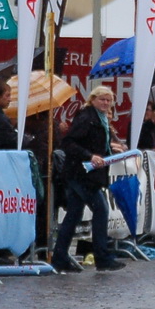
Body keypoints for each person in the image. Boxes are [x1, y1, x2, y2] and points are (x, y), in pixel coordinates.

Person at [53, 86, 129, 273]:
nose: (105, 103)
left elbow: (95, 143)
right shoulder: (86, 118)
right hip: (81, 174)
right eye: (102, 99)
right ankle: (102, 258)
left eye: (108, 100)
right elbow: (69, 142)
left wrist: (110, 149)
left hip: (86, 175)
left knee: (73, 216)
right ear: (93, 99)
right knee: (101, 211)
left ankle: (59, 257)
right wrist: (89, 156)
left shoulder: (100, 119)